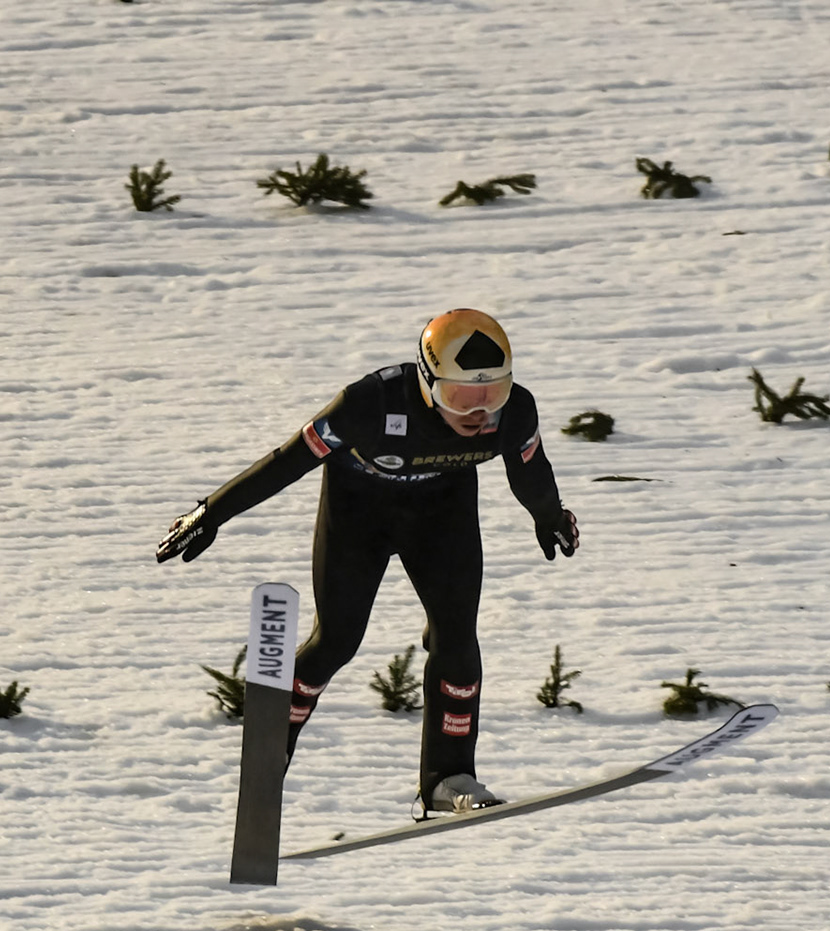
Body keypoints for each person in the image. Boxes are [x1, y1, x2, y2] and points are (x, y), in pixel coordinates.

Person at [156, 309, 579, 813]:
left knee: (458, 637)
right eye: (461, 397)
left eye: (493, 395)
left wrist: (549, 516)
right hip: (357, 515)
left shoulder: (516, 412)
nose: (479, 414)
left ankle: (449, 778)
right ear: (426, 382)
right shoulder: (368, 405)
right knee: (336, 640)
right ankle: (272, 748)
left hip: (441, 514)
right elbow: (288, 460)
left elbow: (530, 474)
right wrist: (213, 511)